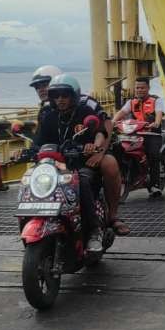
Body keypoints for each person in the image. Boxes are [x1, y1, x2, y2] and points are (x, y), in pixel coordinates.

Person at [35, 74, 128, 242]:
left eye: (65, 95)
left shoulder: (86, 107)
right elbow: (39, 141)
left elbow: (102, 128)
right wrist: (23, 152)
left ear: (74, 95)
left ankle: (105, 222)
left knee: (97, 171)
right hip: (57, 162)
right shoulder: (48, 114)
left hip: (82, 159)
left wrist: (97, 149)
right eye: (56, 96)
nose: (60, 99)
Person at [113, 77, 164, 197]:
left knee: (153, 155)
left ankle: (155, 185)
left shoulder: (156, 101)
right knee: (118, 150)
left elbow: (159, 114)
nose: (139, 90)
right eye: (137, 88)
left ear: (148, 88)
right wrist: (112, 121)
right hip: (134, 134)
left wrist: (156, 123)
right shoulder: (131, 102)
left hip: (151, 134)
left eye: (142, 87)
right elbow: (121, 113)